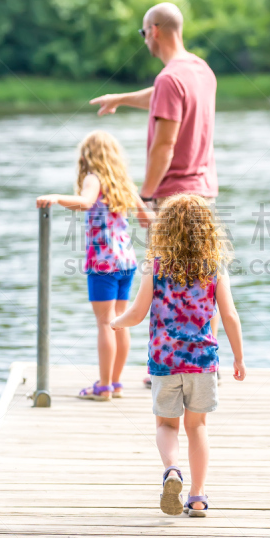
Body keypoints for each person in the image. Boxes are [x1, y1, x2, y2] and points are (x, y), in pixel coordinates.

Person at [90, 2, 220, 386]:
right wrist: (121, 98)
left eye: (143, 32)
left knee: (161, 282)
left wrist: (145, 196)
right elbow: (161, 94)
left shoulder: (169, 78)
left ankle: (163, 368)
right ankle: (204, 361)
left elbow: (164, 144)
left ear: (154, 31)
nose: (144, 38)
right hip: (204, 194)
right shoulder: (201, 70)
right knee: (202, 278)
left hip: (172, 198)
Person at [111, 194, 246, 517]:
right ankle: (198, 497)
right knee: (197, 427)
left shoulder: (154, 268)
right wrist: (238, 358)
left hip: (165, 361)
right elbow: (229, 316)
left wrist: (117, 321)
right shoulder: (214, 269)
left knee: (166, 425)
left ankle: (172, 470)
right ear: (208, 231)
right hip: (202, 361)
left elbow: (138, 312)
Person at [36, 130, 152, 401]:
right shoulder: (123, 182)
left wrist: (56, 197)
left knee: (105, 323)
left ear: (88, 156)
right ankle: (116, 382)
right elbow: (145, 218)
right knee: (120, 322)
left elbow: (85, 201)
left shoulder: (93, 178)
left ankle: (104, 386)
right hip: (126, 260)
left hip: (103, 262)